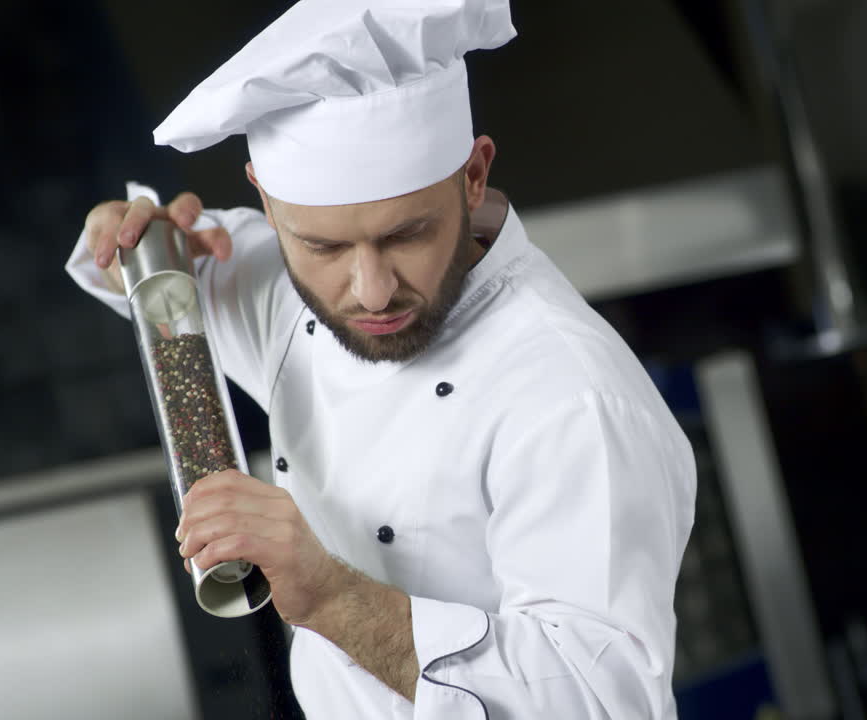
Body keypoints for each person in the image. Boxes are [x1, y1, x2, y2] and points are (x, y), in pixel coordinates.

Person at [66, 1, 696, 717]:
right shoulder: (285, 295)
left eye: (408, 234)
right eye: (326, 247)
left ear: (474, 176)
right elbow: (149, 270)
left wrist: (332, 596)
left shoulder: (570, 396)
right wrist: (130, 238)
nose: (371, 291)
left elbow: (605, 703)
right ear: (267, 207)